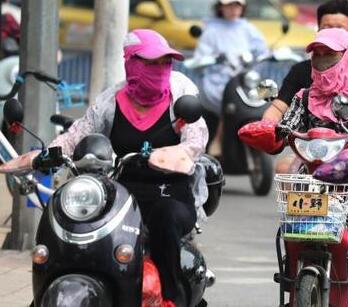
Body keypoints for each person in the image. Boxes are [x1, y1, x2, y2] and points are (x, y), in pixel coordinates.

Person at [0, 29, 208, 306]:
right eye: (151, 62)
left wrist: (169, 154)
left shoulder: (180, 93)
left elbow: (195, 141)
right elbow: (76, 135)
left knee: (165, 219)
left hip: (168, 191)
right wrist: (44, 155)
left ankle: (171, 297)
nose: (160, 69)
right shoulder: (110, 102)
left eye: (165, 62)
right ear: (131, 62)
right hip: (120, 192)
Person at [277, 27, 348, 223]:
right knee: (294, 226)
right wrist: (275, 134)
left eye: (329, 54)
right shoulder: (304, 96)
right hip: (313, 170)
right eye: (317, 54)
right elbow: (287, 126)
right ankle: (293, 254)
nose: (322, 59)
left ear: (347, 55)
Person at [262, 0, 348, 122]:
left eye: (340, 30)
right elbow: (278, 108)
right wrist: (267, 127)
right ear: (318, 31)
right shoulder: (300, 74)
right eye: (327, 28)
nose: (333, 34)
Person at [194, 0, 268, 155]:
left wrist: (264, 56)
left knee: (266, 96)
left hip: (244, 79)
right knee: (228, 101)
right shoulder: (212, 30)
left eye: (237, 5)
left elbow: (262, 51)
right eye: (229, 5)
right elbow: (200, 58)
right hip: (218, 81)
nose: (233, 9)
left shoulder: (248, 28)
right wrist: (215, 59)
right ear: (221, 7)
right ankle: (218, 141)